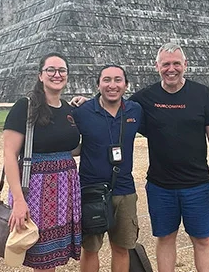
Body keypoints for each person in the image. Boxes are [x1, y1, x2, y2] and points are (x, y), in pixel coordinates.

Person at [129, 42, 209, 272]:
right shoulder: (146, 97)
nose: (171, 69)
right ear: (157, 66)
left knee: (202, 240)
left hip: (197, 184)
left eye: (176, 64)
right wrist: (87, 103)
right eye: (166, 64)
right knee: (165, 238)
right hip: (160, 185)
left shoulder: (201, 93)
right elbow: (114, 105)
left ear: (185, 65)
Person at [2, 52, 82, 271]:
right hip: (36, 191)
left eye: (62, 70)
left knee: (53, 259)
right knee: (41, 258)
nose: (57, 74)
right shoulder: (25, 107)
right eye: (51, 70)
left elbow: (72, 147)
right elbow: (9, 154)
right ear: (40, 75)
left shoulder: (69, 110)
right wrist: (19, 200)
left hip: (65, 191)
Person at [71, 65, 143, 272]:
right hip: (91, 190)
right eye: (107, 80)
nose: (112, 85)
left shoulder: (134, 110)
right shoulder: (82, 112)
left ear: (126, 85)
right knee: (91, 249)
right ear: (98, 85)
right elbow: (66, 140)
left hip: (124, 190)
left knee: (121, 248)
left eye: (118, 80)